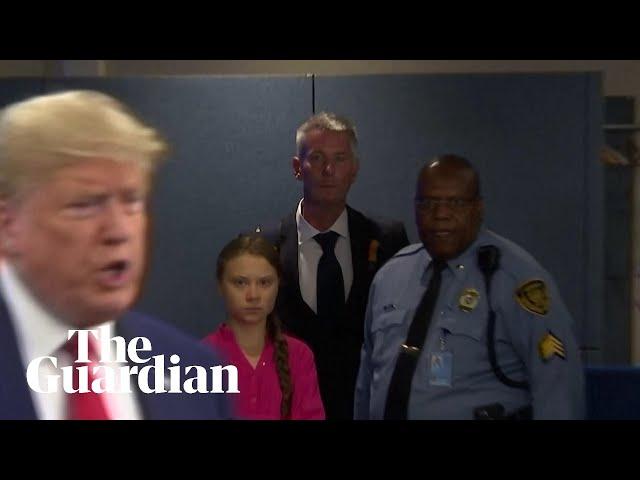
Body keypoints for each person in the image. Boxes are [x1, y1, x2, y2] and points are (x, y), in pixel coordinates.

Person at [0, 90, 231, 420]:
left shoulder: (194, 373)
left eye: (132, 201)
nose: (119, 231)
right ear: (8, 224)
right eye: (84, 205)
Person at [354, 154, 584, 420]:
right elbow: (367, 383)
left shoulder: (517, 280)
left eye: (455, 203)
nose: (441, 215)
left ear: (478, 208)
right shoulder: (390, 277)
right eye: (429, 203)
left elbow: (558, 390)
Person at [256, 112, 409, 419]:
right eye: (317, 158)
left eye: (340, 158)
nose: (329, 170)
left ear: (354, 169)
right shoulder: (263, 246)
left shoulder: (386, 240)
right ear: (298, 168)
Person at [202, 235, 325, 420]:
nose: (253, 295)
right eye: (240, 283)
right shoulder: (199, 358)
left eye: (264, 283)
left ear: (277, 285)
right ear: (221, 286)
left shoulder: (299, 356)